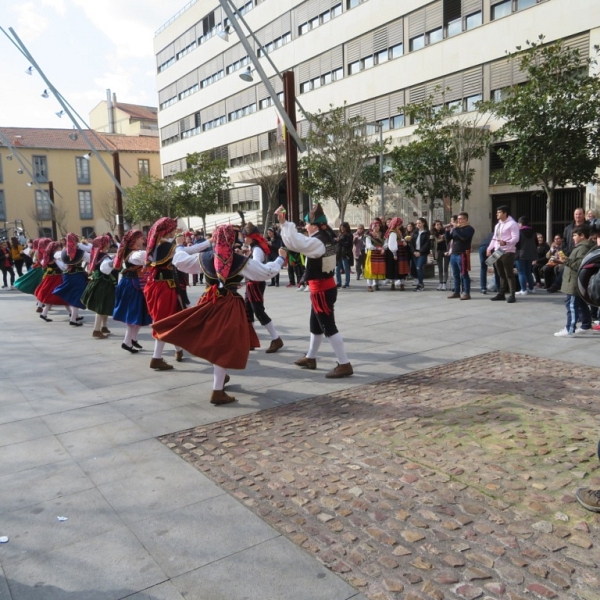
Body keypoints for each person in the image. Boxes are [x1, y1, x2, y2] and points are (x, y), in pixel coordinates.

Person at [152, 224, 287, 405]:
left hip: (209, 301)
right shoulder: (239, 260)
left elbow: (180, 261)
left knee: (215, 343)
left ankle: (220, 380)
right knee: (223, 346)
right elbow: (265, 272)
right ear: (231, 239)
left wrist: (180, 246)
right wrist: (280, 259)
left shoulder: (205, 258)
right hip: (229, 305)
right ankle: (217, 391)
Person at [276, 203, 353, 379]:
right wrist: (284, 224)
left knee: (329, 327)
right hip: (323, 289)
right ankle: (310, 357)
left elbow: (295, 243)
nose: (306, 227)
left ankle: (344, 363)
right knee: (315, 325)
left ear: (317, 226)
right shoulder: (324, 237)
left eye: (308, 224)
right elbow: (298, 242)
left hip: (322, 291)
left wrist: (285, 223)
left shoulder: (317, 241)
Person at [144, 217, 197, 370]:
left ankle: (178, 350)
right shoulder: (168, 246)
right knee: (165, 321)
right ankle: (156, 357)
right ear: (168, 230)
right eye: (173, 228)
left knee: (172, 318)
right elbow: (187, 252)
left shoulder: (155, 245)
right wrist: (210, 242)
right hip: (165, 288)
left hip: (156, 286)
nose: (176, 230)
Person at [242, 222, 284, 353]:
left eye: (246, 236)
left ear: (252, 237)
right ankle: (251, 339)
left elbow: (256, 266)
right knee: (248, 312)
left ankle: (276, 339)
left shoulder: (257, 250)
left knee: (259, 312)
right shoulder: (254, 248)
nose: (244, 239)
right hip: (251, 283)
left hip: (255, 284)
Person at [112, 229, 152, 354]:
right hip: (132, 285)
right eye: (140, 238)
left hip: (132, 283)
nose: (143, 240)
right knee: (133, 313)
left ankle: (133, 339)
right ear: (134, 240)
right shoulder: (136, 254)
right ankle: (126, 342)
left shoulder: (132, 252)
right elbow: (151, 258)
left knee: (138, 312)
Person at [554, 224, 595, 337]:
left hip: (574, 281)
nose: (573, 237)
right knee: (581, 304)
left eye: (575, 235)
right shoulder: (582, 246)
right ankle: (586, 324)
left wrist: (566, 260)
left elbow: (578, 264)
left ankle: (570, 328)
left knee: (571, 305)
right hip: (574, 280)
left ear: (582, 236)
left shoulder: (583, 247)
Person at [81, 235, 117, 339]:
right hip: (103, 283)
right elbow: (104, 268)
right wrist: (115, 261)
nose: (109, 243)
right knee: (101, 307)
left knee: (104, 305)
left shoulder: (97, 254)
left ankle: (104, 327)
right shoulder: (103, 256)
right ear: (104, 244)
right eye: (108, 242)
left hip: (99, 281)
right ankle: (96, 330)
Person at [53, 233, 92, 326]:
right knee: (77, 296)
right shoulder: (81, 253)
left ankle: (75, 316)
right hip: (78, 276)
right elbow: (91, 259)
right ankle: (73, 319)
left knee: (73, 295)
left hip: (66, 275)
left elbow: (55, 256)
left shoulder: (61, 252)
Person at [487, 205, 520, 303]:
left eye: (499, 212)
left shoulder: (512, 224)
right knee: (500, 273)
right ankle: (501, 293)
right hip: (498, 251)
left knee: (509, 274)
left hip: (508, 251)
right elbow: (494, 238)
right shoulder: (498, 225)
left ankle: (512, 295)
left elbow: (516, 238)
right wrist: (489, 248)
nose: (497, 214)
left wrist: (506, 242)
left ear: (505, 213)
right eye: (497, 212)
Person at [35, 241, 69, 322]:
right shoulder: (56, 257)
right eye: (58, 247)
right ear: (55, 249)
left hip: (49, 277)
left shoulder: (46, 256)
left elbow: (43, 263)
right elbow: (64, 268)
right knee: (59, 295)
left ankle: (73, 314)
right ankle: (73, 314)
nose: (60, 248)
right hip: (56, 278)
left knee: (56, 296)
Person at [446, 212, 475, 300]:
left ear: (466, 219)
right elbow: (449, 238)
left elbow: (463, 237)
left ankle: (466, 293)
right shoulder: (456, 228)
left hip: (462, 254)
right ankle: (457, 292)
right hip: (454, 254)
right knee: (455, 274)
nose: (459, 220)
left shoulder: (469, 228)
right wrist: (447, 231)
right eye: (458, 219)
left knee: (464, 274)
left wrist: (456, 228)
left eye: (461, 219)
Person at [514, 216, 538, 296]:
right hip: (530, 254)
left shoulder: (519, 232)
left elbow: (516, 243)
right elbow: (536, 243)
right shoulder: (533, 232)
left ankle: (523, 289)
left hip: (520, 254)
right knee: (528, 272)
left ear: (520, 223)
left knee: (521, 272)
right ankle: (531, 288)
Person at [384, 217, 409, 290]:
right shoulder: (393, 232)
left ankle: (402, 283)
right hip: (395, 252)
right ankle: (393, 284)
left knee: (401, 267)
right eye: (400, 223)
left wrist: (403, 241)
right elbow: (391, 243)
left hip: (400, 251)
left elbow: (399, 240)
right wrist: (394, 253)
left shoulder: (398, 231)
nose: (401, 225)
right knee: (395, 268)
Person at [408, 217, 431, 291]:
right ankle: (419, 283)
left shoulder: (427, 232)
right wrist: (414, 251)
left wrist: (420, 252)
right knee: (416, 268)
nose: (418, 225)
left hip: (422, 253)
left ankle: (420, 284)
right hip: (414, 252)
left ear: (423, 223)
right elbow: (411, 243)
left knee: (419, 267)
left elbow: (427, 244)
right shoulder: (415, 232)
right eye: (417, 223)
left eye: (419, 223)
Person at [364, 219, 386, 292]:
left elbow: (386, 243)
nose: (377, 227)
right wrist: (377, 248)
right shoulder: (369, 235)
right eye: (376, 226)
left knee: (378, 269)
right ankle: (369, 285)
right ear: (372, 226)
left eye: (378, 225)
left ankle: (376, 284)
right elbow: (369, 245)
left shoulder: (382, 234)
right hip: (372, 254)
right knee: (370, 270)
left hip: (380, 254)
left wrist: (383, 248)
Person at [431, 220, 449, 291]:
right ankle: (440, 283)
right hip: (438, 251)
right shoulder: (433, 233)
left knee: (446, 267)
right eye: (437, 224)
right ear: (434, 226)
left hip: (445, 250)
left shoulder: (445, 232)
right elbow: (432, 244)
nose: (439, 226)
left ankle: (444, 283)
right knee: (440, 268)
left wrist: (444, 236)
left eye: (439, 224)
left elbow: (449, 238)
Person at [335, 222, 353, 288]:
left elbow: (348, 244)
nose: (342, 229)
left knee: (346, 269)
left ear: (346, 228)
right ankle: (338, 282)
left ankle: (346, 283)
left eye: (343, 227)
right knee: (337, 269)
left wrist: (339, 241)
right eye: (341, 227)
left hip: (345, 254)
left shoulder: (349, 235)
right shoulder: (340, 235)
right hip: (339, 254)